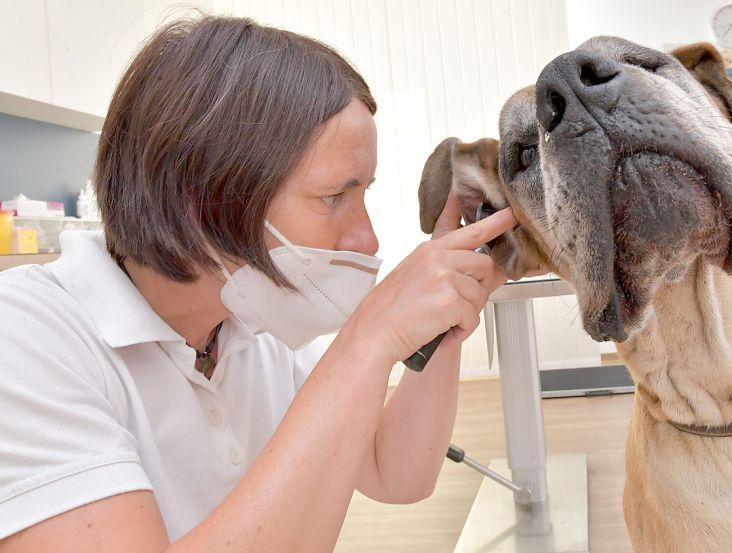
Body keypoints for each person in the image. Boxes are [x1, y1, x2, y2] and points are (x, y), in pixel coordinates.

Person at [0, 15, 518, 552]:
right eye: (332, 198)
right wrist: (369, 337)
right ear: (201, 198)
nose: (365, 239)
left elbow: (397, 473)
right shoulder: (26, 340)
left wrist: (448, 315)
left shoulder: (250, 324)